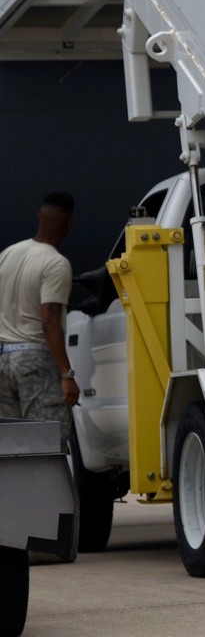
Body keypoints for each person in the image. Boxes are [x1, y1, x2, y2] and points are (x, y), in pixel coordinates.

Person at [0, 193, 79, 453]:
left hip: (3, 360)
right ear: (68, 224)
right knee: (45, 447)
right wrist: (66, 374)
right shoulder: (56, 264)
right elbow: (49, 320)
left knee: (10, 447)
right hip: (35, 361)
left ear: (38, 218)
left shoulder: (8, 254)